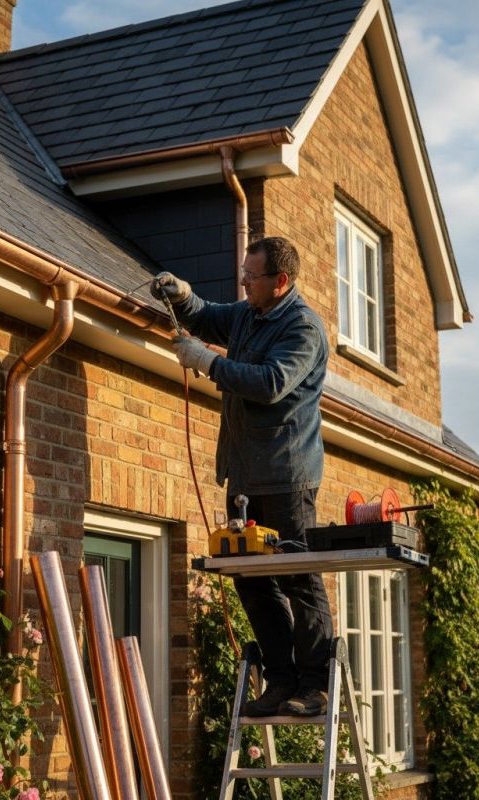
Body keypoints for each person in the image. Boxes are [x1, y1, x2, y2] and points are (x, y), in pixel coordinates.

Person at [150, 236, 333, 716]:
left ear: (281, 281)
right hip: (245, 476)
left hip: (288, 475)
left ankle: (315, 687)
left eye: (252, 277)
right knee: (250, 579)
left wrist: (206, 361)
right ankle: (281, 681)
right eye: (243, 274)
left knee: (297, 578)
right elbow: (209, 316)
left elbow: (270, 383)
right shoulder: (250, 314)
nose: (244, 283)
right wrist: (183, 296)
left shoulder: (303, 327)